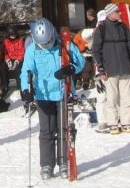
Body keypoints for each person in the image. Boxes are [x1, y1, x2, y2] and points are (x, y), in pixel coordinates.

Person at [19, 18, 85, 179]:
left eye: (48, 42)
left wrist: (70, 69)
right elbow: (26, 70)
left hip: (63, 92)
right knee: (46, 130)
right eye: (43, 44)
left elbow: (80, 62)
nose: (46, 46)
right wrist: (25, 90)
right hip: (43, 94)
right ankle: (47, 164)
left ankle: (64, 161)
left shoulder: (64, 44)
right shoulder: (33, 49)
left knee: (63, 129)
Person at [91, 4, 130, 134]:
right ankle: (113, 123)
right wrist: (101, 69)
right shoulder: (101, 29)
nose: (120, 13)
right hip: (109, 70)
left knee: (127, 98)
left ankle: (127, 122)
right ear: (110, 13)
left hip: (125, 68)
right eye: (117, 11)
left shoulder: (123, 27)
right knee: (111, 98)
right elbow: (95, 51)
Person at [1, 25, 27, 94]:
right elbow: (5, 52)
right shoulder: (6, 41)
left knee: (18, 68)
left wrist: (17, 61)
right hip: (9, 59)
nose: (13, 36)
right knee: (2, 67)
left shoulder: (19, 40)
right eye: (12, 35)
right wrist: (7, 60)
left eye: (14, 34)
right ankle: (5, 85)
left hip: (18, 59)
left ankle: (20, 86)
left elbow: (22, 52)